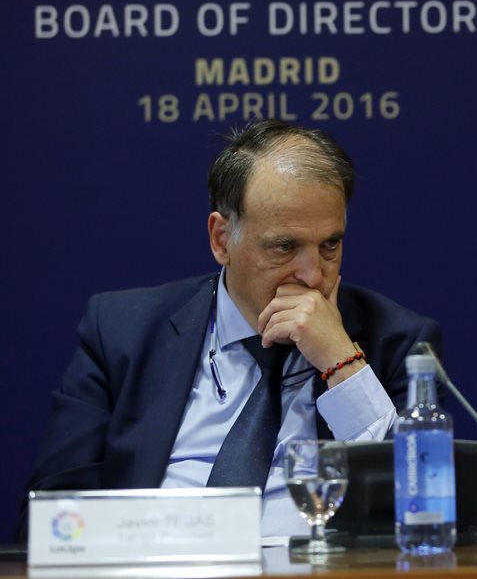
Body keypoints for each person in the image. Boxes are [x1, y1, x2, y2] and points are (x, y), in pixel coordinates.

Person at [25, 121, 440, 536]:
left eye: (330, 244)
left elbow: (425, 513)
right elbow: (54, 518)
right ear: (222, 239)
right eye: (285, 246)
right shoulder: (123, 332)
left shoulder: (398, 342)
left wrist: (342, 364)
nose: (313, 275)